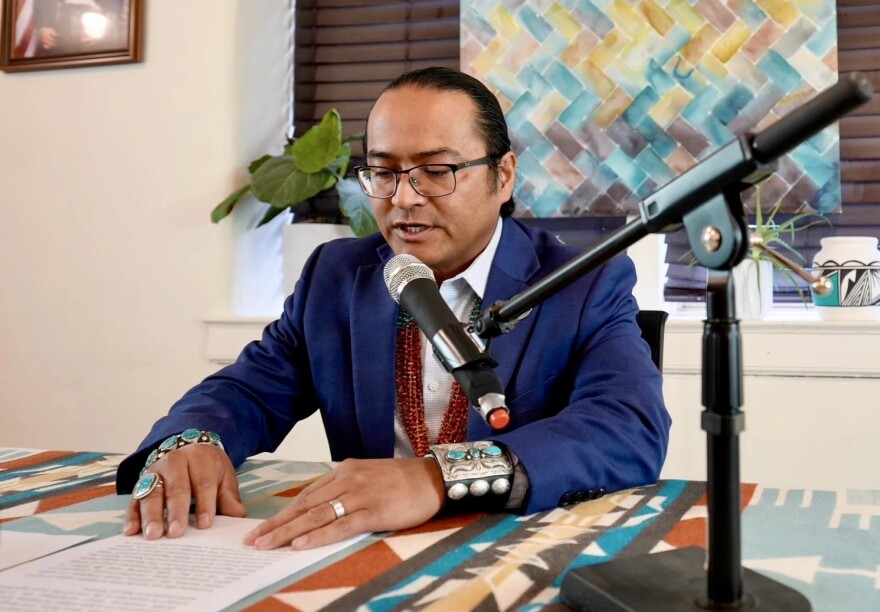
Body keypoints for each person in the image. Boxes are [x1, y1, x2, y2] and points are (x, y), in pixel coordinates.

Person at [117, 67, 671, 551]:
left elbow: (628, 427)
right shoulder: (336, 277)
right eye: (383, 173)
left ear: (502, 176)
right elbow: (246, 390)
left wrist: (437, 479)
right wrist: (192, 439)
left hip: (518, 555)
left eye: (436, 171)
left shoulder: (582, 283)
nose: (404, 198)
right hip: (361, 558)